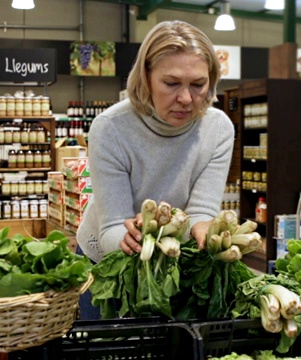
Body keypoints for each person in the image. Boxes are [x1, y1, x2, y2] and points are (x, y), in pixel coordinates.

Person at [76, 20, 234, 266]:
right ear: (146, 77)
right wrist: (133, 236)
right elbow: (112, 227)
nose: (185, 98)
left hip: (172, 256)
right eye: (171, 84)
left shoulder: (219, 129)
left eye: (198, 84)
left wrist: (204, 229)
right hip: (107, 259)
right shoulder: (110, 128)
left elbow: (202, 211)